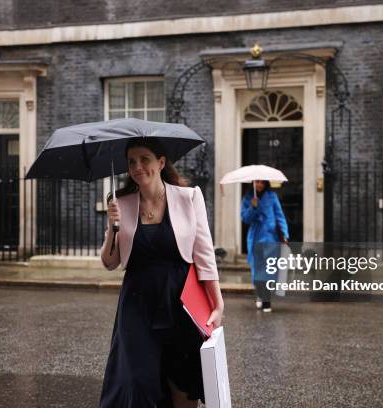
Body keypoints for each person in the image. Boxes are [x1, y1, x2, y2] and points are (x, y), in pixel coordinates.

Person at [99, 137, 224, 408]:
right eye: (131, 161)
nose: (137, 167)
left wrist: (217, 302)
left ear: (161, 162)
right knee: (138, 380)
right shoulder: (121, 202)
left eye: (145, 159)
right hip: (137, 304)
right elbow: (109, 262)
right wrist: (113, 227)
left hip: (180, 301)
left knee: (183, 383)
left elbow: (204, 254)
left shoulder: (189, 197)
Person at [241, 180, 289, 313]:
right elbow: (245, 218)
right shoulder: (248, 198)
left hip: (270, 237)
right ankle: (260, 294)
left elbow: (280, 216)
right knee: (257, 270)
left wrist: (284, 234)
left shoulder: (272, 196)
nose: (259, 185)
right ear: (253, 183)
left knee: (269, 270)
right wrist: (253, 207)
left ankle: (266, 300)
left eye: (262, 182)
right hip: (256, 238)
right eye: (257, 182)